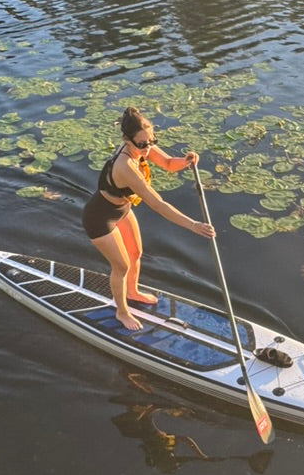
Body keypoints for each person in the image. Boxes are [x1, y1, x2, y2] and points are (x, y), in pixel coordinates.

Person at [82, 106, 215, 331]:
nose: (148, 148)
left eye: (152, 141)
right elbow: (157, 204)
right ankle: (122, 311)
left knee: (135, 252)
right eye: (143, 144)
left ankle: (132, 291)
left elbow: (168, 164)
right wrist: (192, 225)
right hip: (100, 218)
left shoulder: (142, 146)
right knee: (121, 266)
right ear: (127, 140)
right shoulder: (125, 166)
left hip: (122, 209)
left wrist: (186, 161)